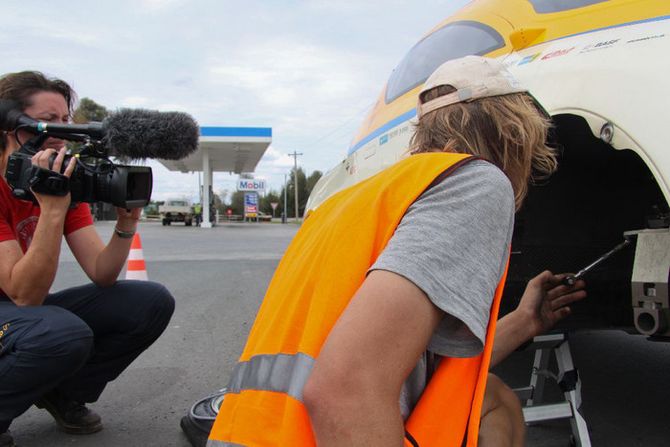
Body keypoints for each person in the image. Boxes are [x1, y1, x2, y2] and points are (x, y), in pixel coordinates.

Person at [205, 55, 563, 447]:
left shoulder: (351, 201)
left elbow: (408, 362)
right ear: (514, 131)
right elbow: (345, 390)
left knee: (495, 400)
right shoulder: (476, 182)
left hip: (252, 433)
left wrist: (524, 320)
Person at [0, 71, 175, 447]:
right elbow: (23, 296)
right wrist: (50, 211)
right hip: (12, 306)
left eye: (66, 118)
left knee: (148, 302)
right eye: (51, 119)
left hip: (17, 311)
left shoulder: (63, 180)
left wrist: (125, 225)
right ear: (10, 125)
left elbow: (102, 273)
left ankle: (62, 393)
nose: (63, 130)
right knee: (58, 332)